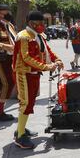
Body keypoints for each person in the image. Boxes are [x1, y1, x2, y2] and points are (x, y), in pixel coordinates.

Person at [13, 11, 63, 149]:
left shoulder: (39, 35)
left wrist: (56, 59)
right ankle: (20, 136)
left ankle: (20, 129)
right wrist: (47, 67)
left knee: (29, 103)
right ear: (31, 23)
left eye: (43, 24)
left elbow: (47, 51)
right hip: (24, 74)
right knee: (26, 103)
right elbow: (26, 58)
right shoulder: (24, 37)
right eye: (39, 24)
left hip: (34, 74)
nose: (42, 26)